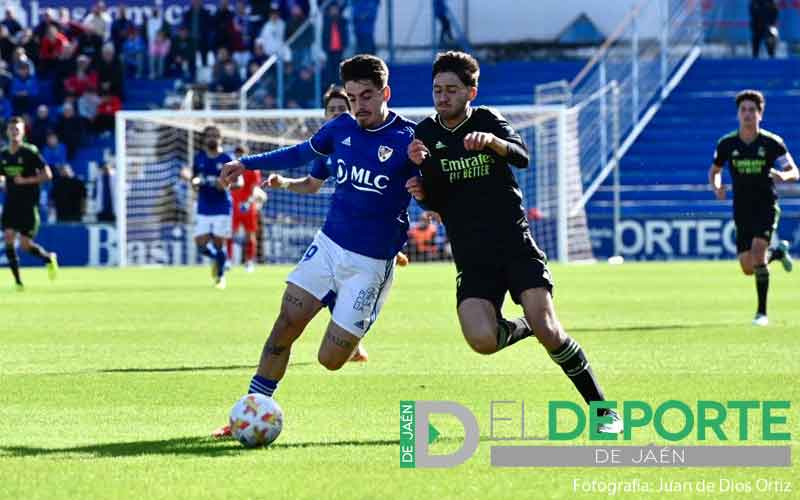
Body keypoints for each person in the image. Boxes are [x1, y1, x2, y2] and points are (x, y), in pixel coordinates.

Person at [406, 51, 622, 434]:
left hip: (513, 244)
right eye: (437, 89)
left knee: (552, 331)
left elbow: (522, 157)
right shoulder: (425, 135)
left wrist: (493, 142)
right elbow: (437, 201)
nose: (442, 97)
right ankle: (524, 326)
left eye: (452, 90)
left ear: (471, 90)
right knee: (482, 342)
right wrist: (420, 192)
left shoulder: (488, 120)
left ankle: (603, 412)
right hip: (471, 257)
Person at [213, 55, 419, 437]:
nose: (360, 106)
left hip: (370, 265)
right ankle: (250, 411)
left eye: (368, 96)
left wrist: (429, 186)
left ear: (385, 93)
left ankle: (365, 313)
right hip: (328, 247)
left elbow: (436, 191)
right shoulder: (340, 128)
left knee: (330, 359)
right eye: (354, 97)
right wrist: (247, 163)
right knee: (284, 327)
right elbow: (299, 154)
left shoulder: (408, 140)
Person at [263, 84, 410, 364]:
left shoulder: (384, 141)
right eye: (333, 110)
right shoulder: (329, 146)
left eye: (343, 108)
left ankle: (360, 323)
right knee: (311, 299)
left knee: (340, 314)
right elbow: (311, 184)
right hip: (334, 238)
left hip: (372, 249)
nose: (339, 113)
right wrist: (283, 182)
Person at [708, 89, 798, 326]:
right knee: (748, 267)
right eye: (743, 110)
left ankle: (761, 313)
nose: (747, 114)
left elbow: (794, 170)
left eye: (752, 110)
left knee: (758, 252)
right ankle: (777, 254)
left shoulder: (772, 143)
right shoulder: (727, 144)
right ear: (738, 114)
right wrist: (717, 187)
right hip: (742, 209)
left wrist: (783, 176)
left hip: (766, 205)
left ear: (760, 114)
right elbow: (715, 171)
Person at [0, 116, 58, 290]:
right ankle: (18, 282)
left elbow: (48, 175)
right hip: (11, 204)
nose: (14, 132)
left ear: (23, 132)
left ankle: (48, 258)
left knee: (25, 245)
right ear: (7, 132)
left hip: (28, 205)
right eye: (11, 129)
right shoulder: (3, 154)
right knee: (8, 237)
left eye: (17, 129)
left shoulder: (30, 152)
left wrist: (25, 180)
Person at [179, 125, 239, 289]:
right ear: (204, 139)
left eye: (215, 135)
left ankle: (220, 278)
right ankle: (218, 260)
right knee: (200, 245)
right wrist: (191, 180)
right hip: (204, 206)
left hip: (222, 207)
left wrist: (225, 184)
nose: (212, 138)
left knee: (219, 243)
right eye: (209, 135)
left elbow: (239, 183)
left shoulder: (227, 157)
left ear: (221, 139)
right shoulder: (198, 158)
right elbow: (193, 179)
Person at [228, 145, 263, 273]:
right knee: (229, 234)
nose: (239, 157)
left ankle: (249, 261)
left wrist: (249, 202)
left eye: (242, 154)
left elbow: (255, 188)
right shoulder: (230, 169)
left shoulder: (253, 169)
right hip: (233, 206)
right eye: (237, 155)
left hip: (248, 207)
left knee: (250, 235)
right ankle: (228, 260)